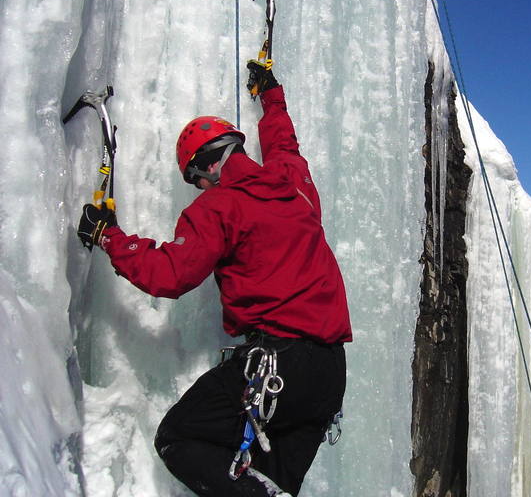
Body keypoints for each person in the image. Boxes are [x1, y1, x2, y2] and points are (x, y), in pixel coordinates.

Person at [77, 63, 352, 497]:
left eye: (197, 178)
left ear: (209, 166)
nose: (200, 187)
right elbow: (285, 145)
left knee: (179, 438)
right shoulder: (294, 184)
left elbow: (172, 272)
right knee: (268, 483)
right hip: (329, 376)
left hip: (279, 367)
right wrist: (271, 95)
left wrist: (110, 237)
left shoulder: (220, 207)